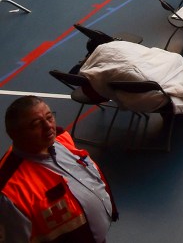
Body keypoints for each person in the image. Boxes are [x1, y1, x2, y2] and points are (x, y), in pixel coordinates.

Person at [0, 96, 116, 242]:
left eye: (49, 117)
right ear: (15, 134)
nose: (48, 126)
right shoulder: (9, 191)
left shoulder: (61, 139)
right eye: (36, 124)